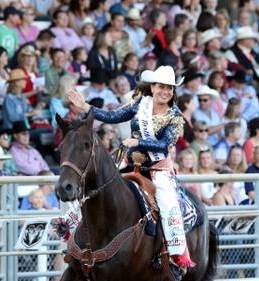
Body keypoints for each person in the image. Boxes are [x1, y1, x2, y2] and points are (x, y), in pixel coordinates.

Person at [66, 65, 195, 270]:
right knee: (98, 184)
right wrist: (86, 107)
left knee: (168, 204)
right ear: (152, 87)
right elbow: (113, 116)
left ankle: (175, 255)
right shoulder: (141, 103)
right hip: (130, 160)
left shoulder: (175, 116)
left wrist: (138, 142)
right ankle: (70, 226)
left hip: (157, 167)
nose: (165, 91)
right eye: (161, 86)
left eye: (169, 88)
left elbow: (164, 145)